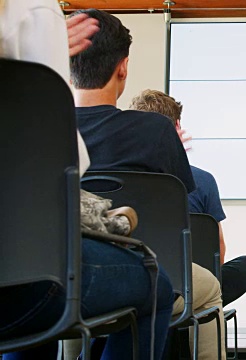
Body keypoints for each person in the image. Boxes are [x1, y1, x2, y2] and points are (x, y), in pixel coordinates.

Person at [0, 1, 174, 359]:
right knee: (155, 281)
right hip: (27, 283)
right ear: (122, 67)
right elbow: (69, 163)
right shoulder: (31, 10)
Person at [69, 9, 225, 360]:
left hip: (54, 278)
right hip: (133, 273)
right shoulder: (154, 131)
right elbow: (176, 207)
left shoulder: (41, 126)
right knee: (209, 288)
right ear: (122, 67)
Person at [130, 89, 246, 306]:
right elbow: (217, 248)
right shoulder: (203, 180)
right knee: (245, 267)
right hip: (191, 282)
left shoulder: (126, 177)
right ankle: (200, 303)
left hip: (137, 276)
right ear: (177, 126)